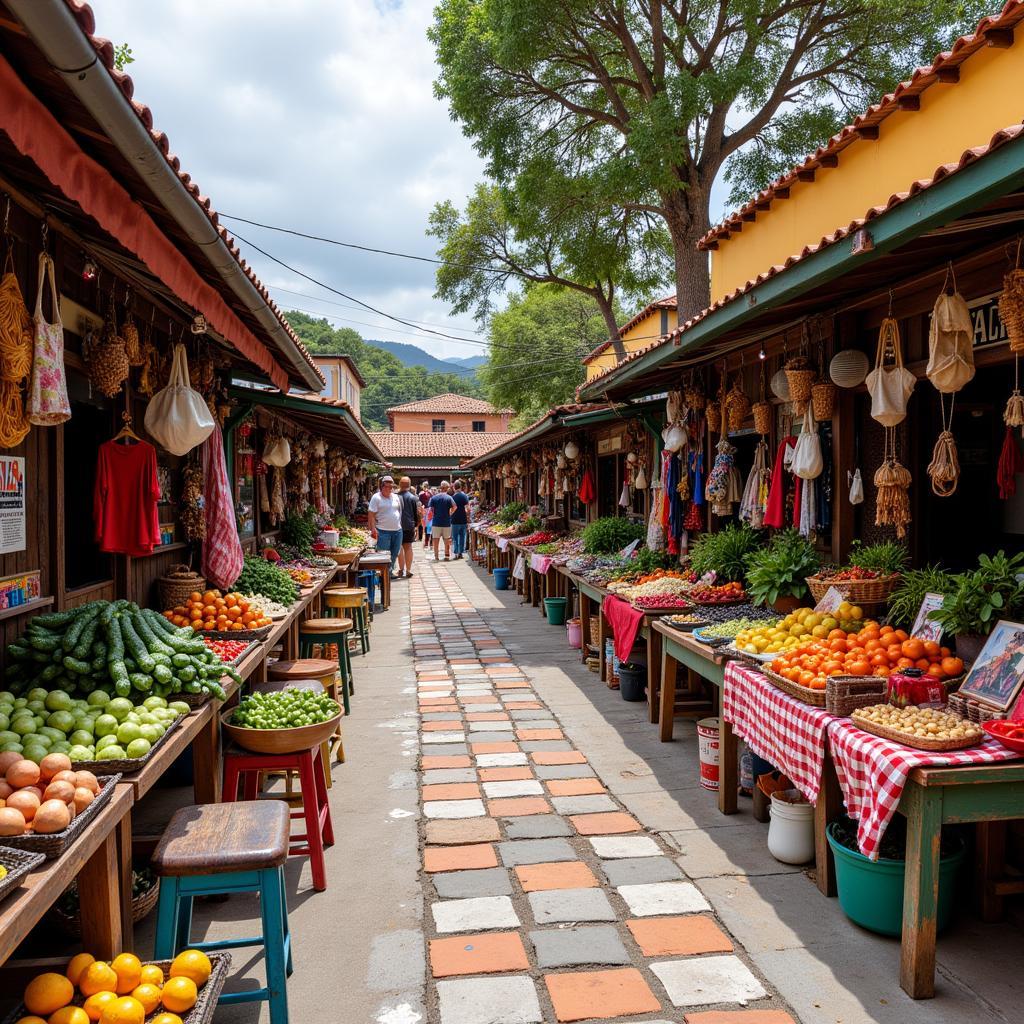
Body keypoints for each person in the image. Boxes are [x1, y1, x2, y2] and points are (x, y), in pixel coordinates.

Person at [367, 475, 403, 577]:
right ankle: (383, 573)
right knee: (383, 553)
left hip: (397, 530)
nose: (388, 489)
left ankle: (389, 572)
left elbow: (399, 512)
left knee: (395, 552)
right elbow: (371, 514)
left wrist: (400, 525)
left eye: (390, 487)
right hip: (383, 530)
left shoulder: (395, 497)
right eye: (386, 486)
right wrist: (373, 528)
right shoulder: (376, 497)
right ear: (381, 487)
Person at [396, 476, 421, 578]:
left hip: (397, 525)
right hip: (409, 525)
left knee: (399, 548)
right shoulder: (413, 498)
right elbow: (417, 513)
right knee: (408, 547)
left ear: (399, 485)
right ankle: (408, 570)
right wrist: (416, 525)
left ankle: (401, 569)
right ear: (409, 485)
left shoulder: (395, 497)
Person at [428, 481, 457, 561]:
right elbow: (455, 507)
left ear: (441, 488)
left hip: (436, 522)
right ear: (447, 488)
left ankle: (436, 556)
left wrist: (434, 514)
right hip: (446, 522)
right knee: (447, 540)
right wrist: (450, 513)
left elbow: (431, 509)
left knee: (435, 540)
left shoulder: (434, 498)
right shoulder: (449, 498)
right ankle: (446, 556)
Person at [450, 479, 471, 559]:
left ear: (454, 488)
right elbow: (468, 508)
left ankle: (455, 553)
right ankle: (460, 553)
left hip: (455, 520)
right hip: (463, 519)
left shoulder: (453, 497)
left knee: (455, 537)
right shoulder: (464, 496)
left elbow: (451, 509)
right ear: (461, 487)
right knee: (462, 536)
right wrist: (468, 517)